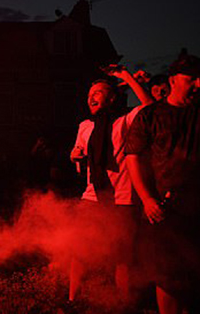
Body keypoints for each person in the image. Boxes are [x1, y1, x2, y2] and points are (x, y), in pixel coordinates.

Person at [68, 67, 154, 303]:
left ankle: (123, 305)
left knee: (122, 259)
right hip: (92, 197)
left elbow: (149, 106)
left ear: (112, 98)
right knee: (79, 252)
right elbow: (77, 152)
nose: (91, 97)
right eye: (89, 94)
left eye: (97, 92)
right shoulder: (85, 126)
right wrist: (74, 155)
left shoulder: (125, 121)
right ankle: (72, 301)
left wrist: (126, 77)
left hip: (123, 200)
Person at [125, 53, 200, 314]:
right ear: (173, 80)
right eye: (191, 79)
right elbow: (132, 157)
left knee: (192, 278)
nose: (198, 85)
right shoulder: (150, 115)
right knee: (167, 276)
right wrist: (147, 199)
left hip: (196, 210)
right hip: (163, 209)